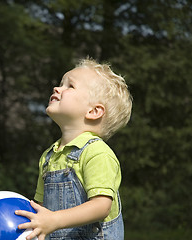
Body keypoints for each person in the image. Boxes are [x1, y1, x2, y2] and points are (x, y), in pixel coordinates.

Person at [15, 57, 132, 240]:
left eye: (70, 86)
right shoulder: (49, 156)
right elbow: (39, 208)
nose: (57, 88)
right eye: (61, 83)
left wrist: (55, 220)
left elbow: (101, 206)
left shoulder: (97, 153)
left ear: (93, 112)